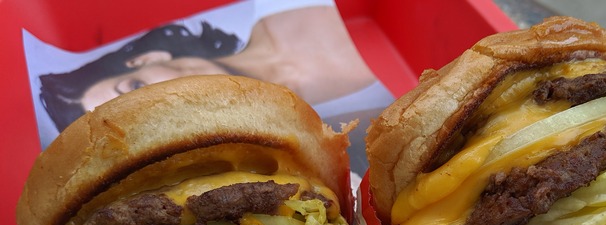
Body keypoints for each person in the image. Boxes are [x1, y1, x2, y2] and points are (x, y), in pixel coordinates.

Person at [37, 3, 392, 172]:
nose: (161, 96)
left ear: (146, 59)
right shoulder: (332, 139)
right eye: (145, 109)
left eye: (135, 86)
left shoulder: (281, 4)